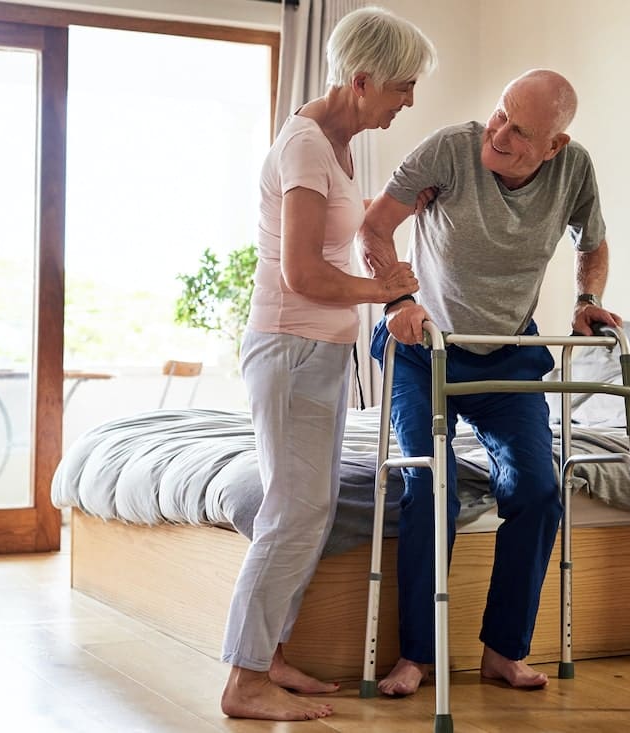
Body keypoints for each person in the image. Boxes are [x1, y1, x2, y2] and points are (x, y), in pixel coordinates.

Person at [360, 68, 623, 697]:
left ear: (554, 145)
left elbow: (594, 242)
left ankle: (503, 651)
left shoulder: (574, 169)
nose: (499, 133)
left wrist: (588, 299)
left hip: (509, 353)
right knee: (432, 481)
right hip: (425, 347)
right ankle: (416, 656)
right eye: (500, 114)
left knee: (536, 488)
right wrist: (398, 300)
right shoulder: (450, 149)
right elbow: (374, 226)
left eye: (520, 130)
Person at [218, 7, 435, 721]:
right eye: (402, 87)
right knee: (294, 510)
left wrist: (394, 213)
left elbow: (334, 232)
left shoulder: (336, 147)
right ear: (364, 80)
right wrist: (392, 291)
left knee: (307, 512)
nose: (408, 100)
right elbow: (305, 274)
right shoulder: (308, 148)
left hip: (322, 348)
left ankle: (272, 655)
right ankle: (243, 679)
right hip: (292, 344)